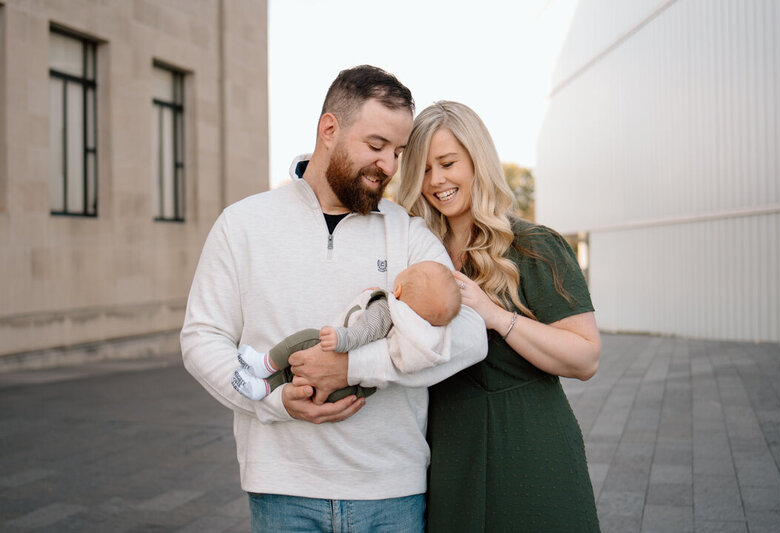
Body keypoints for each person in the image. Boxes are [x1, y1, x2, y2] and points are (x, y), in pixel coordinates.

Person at [180, 68, 487, 533]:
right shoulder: (242, 224)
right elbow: (202, 337)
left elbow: (468, 336)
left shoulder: (408, 231)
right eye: (376, 145)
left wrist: (354, 368)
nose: (389, 166)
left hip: (391, 492)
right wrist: (273, 401)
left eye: (399, 152)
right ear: (329, 130)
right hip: (283, 489)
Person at [397, 100, 602, 532]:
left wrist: (494, 316)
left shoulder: (534, 246)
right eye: (425, 169)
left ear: (477, 161)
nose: (436, 181)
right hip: (448, 451)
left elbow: (586, 358)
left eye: (448, 163)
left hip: (531, 447)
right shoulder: (415, 252)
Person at [232, 260, 462, 401]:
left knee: (306, 340)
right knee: (297, 376)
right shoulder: (422, 331)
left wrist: (341, 338)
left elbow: (366, 331)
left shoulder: (386, 309)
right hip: (355, 392)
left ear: (398, 289)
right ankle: (263, 388)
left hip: (343, 355)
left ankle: (263, 364)